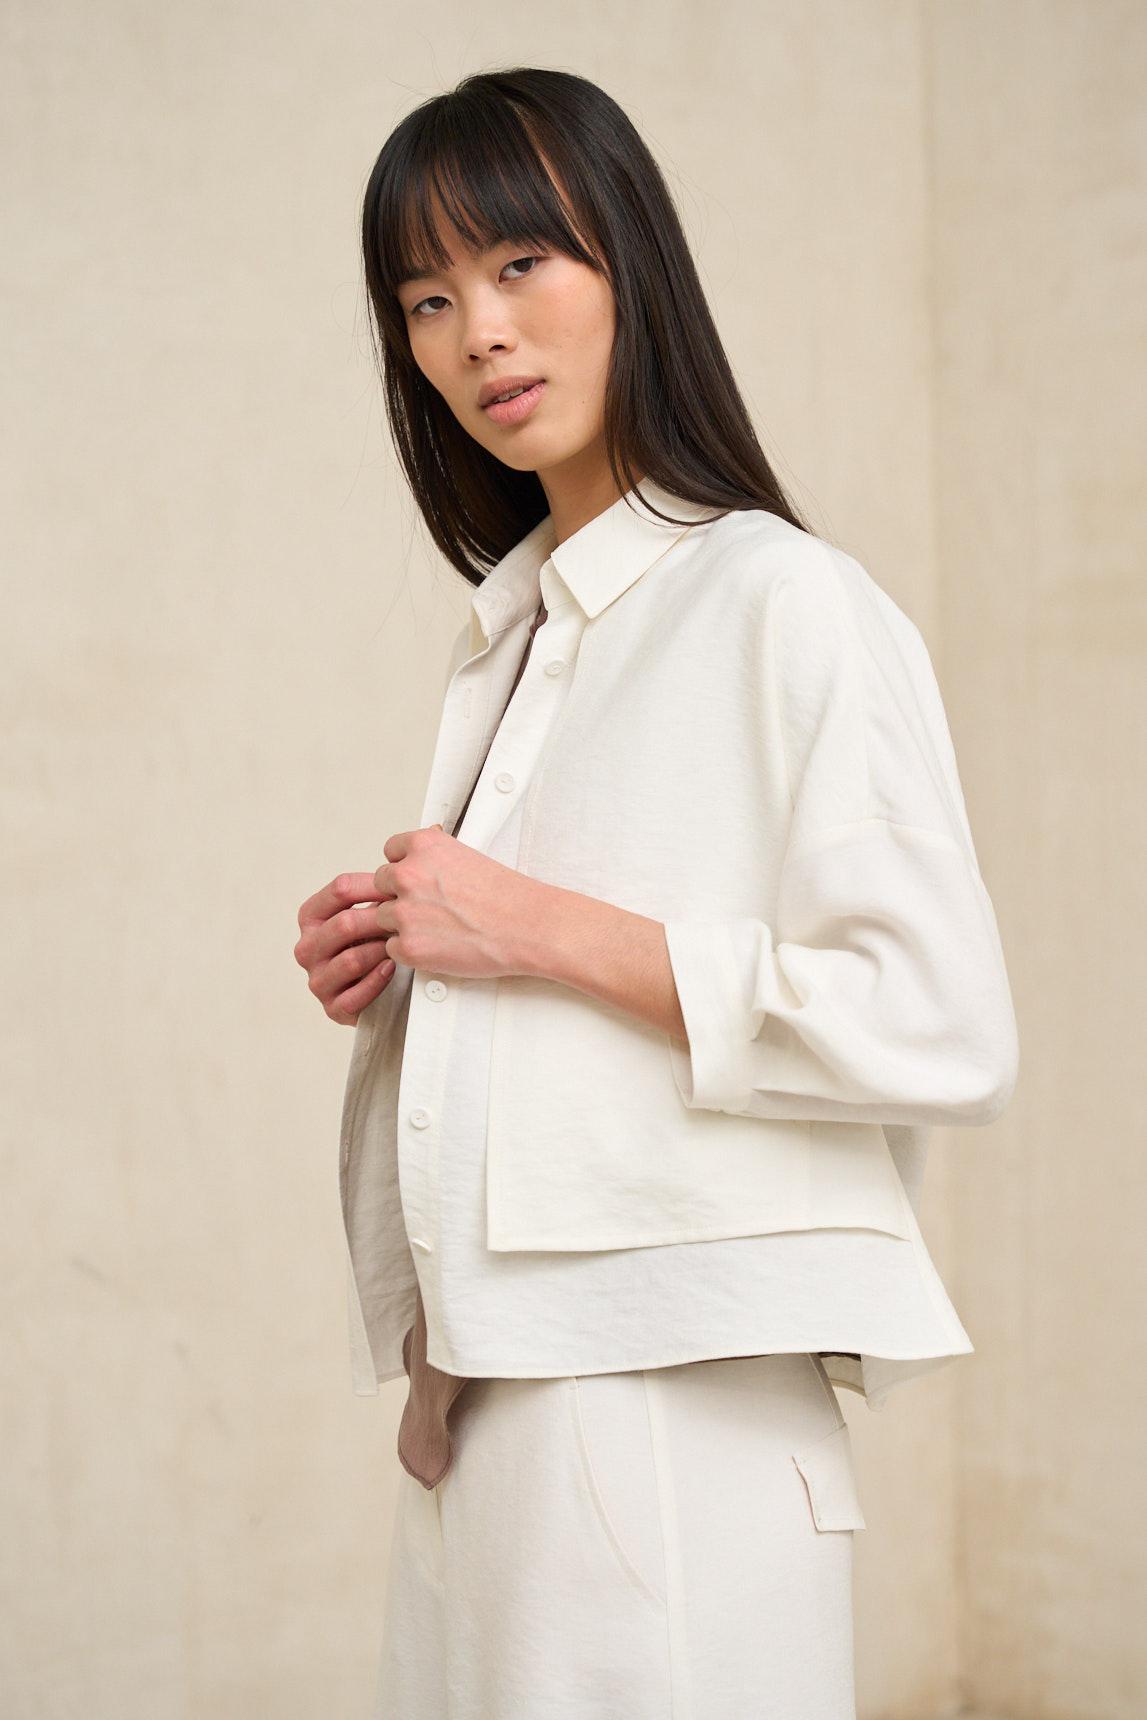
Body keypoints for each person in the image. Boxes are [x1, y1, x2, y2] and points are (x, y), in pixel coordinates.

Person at [293, 65, 1019, 1720]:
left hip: (667, 1417)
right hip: (491, 1405)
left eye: (520, 263)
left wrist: (530, 929)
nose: (478, 332)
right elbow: (577, 1034)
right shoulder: (522, 631)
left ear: (632, 263)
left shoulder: (782, 600)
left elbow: (941, 1022)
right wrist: (410, 966)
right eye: (427, 297)